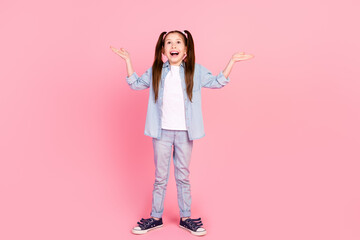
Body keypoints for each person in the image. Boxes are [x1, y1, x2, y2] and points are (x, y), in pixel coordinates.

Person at [110, 30, 254, 236]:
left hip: (186, 133)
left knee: (183, 176)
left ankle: (186, 218)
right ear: (163, 50)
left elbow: (217, 82)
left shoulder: (195, 70)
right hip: (161, 133)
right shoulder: (156, 70)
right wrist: (128, 60)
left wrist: (231, 61)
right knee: (160, 177)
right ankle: (155, 217)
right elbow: (135, 84)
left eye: (178, 42)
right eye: (169, 42)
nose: (173, 45)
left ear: (186, 50)